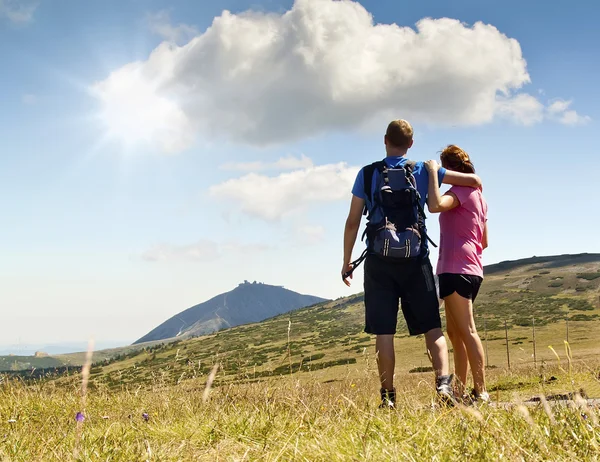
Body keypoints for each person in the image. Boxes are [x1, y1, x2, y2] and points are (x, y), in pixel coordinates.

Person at [342, 120, 482, 408]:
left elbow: (353, 221)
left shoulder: (367, 174)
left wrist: (347, 262)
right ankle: (443, 384)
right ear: (411, 144)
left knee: (384, 332)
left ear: (384, 140)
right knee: (432, 328)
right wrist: (463, 179)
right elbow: (472, 181)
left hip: (379, 262)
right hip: (416, 260)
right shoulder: (421, 169)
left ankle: (388, 398)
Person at [425, 145, 489, 403]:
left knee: (467, 331)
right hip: (472, 268)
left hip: (455, 268)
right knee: (456, 334)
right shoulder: (480, 197)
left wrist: (431, 173)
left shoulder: (461, 190)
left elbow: (435, 205)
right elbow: (484, 241)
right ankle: (462, 390)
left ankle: (481, 390)